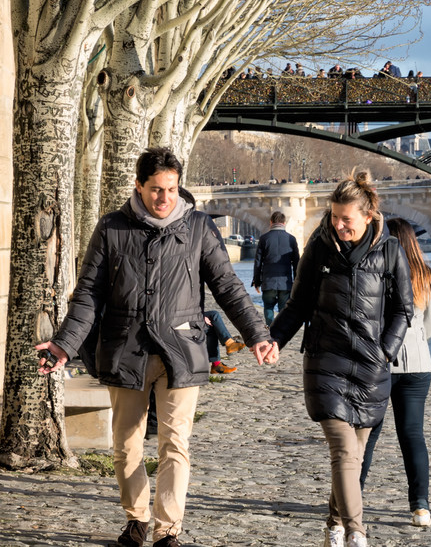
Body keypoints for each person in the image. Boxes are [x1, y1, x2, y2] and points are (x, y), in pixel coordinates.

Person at [35, 147, 276, 547]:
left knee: (175, 442)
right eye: (155, 190)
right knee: (126, 443)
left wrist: (257, 334)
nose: (164, 198)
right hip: (125, 348)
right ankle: (137, 518)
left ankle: (168, 530)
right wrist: (64, 345)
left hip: (181, 348)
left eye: (171, 189)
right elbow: (88, 296)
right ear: (139, 186)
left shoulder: (198, 227)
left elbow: (228, 286)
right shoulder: (112, 228)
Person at [270, 171, 413, 547]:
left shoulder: (391, 251)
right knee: (343, 449)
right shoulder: (318, 248)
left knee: (354, 456)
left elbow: (404, 309)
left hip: (371, 367)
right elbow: (298, 304)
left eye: (345, 219)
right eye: (334, 217)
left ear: (368, 216)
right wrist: (274, 340)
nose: (338, 225)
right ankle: (357, 533)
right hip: (326, 363)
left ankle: (335, 522)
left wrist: (386, 351)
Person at [359, 218, 431, 527]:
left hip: (380, 362)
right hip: (418, 366)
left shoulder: (377, 273)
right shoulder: (425, 275)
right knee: (413, 435)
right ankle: (420, 506)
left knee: (368, 433)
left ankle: (353, 497)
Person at [253, 211, 300, 327]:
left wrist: (256, 281)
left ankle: (270, 329)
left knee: (268, 307)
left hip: (268, 282)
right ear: (284, 223)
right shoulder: (291, 239)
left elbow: (258, 262)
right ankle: (280, 331)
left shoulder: (264, 239)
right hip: (285, 283)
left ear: (271, 222)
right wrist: (296, 282)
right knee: (283, 309)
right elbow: (297, 263)